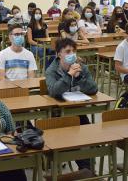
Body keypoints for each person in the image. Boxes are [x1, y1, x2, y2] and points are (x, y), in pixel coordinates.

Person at [45, 38, 96, 170]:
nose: (71, 54)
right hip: (58, 115)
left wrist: (79, 77)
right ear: (59, 54)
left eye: (73, 51)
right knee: (72, 140)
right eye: (67, 51)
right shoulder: (51, 70)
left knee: (88, 138)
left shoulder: (82, 67)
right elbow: (54, 91)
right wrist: (69, 75)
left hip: (78, 111)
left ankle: (86, 170)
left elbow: (93, 89)